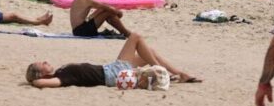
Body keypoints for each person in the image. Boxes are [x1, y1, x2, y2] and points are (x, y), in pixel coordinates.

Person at [25, 32, 200, 88]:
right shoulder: (60, 78)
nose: (45, 61)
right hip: (112, 74)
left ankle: (178, 74)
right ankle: (166, 72)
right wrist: (34, 80)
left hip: (110, 69)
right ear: (42, 74)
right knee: (135, 37)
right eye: (42, 64)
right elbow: (39, 83)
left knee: (149, 52)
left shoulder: (60, 72)